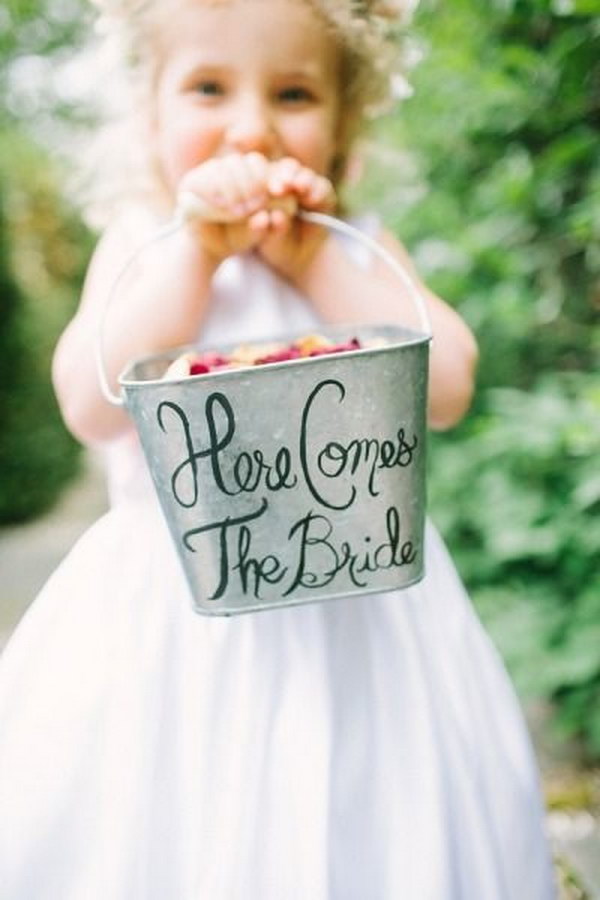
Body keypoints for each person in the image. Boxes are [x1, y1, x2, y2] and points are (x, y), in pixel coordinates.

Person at [0, 0, 556, 897]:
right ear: (151, 114)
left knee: (369, 816)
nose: (252, 126)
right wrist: (195, 254)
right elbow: (88, 403)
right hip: (175, 606)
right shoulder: (146, 248)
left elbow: (446, 385)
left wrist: (313, 263)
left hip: (362, 603)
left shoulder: (355, 248)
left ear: (346, 124)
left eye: (294, 93)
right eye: (208, 88)